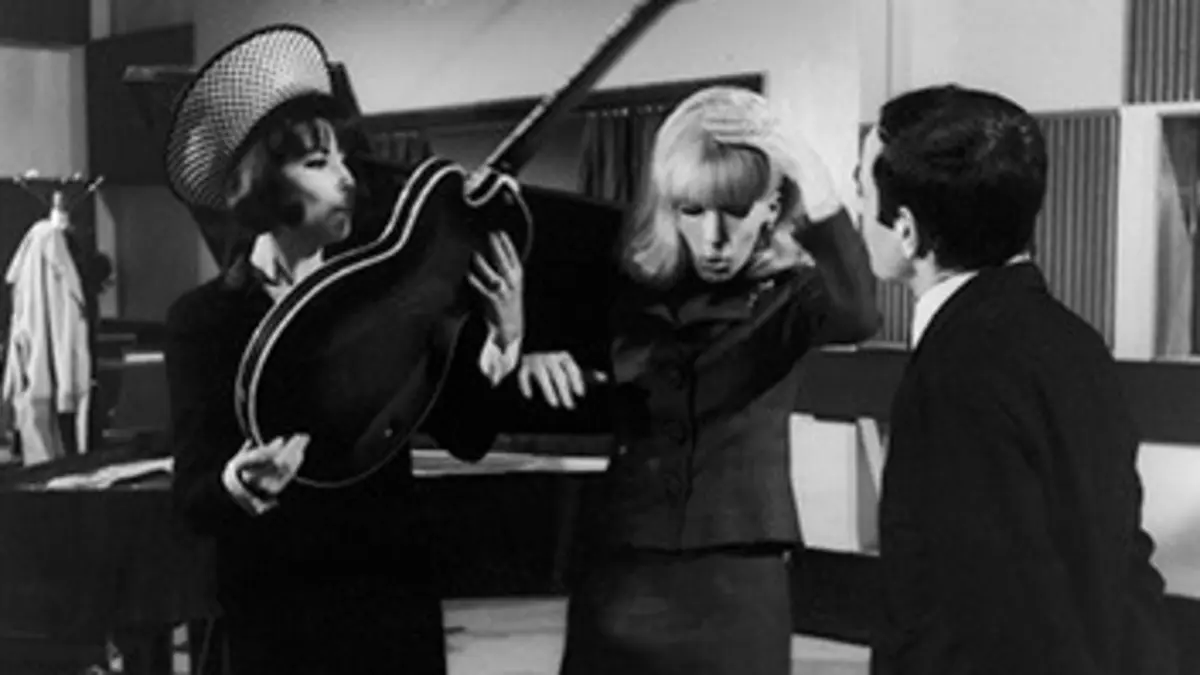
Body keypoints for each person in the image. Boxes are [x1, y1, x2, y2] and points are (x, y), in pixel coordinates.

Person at [162, 25, 525, 675]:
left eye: (341, 158)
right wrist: (237, 481)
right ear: (261, 184)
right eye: (317, 162)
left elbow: (468, 436)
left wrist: (504, 336)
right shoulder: (201, 321)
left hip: (390, 608)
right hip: (278, 620)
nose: (347, 179)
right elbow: (192, 495)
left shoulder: (385, 289)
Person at [539, 86, 878, 675]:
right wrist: (534, 349)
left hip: (737, 570)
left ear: (772, 206)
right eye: (691, 211)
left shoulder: (792, 295)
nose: (714, 237)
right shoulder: (626, 292)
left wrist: (807, 167)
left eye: (736, 210)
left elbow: (858, 314)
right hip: (622, 563)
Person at [857, 83, 1179, 675]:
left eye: (861, 192)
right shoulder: (1074, 339)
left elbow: (985, 615)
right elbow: (1116, 561)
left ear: (906, 229)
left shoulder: (955, 368)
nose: (859, 215)